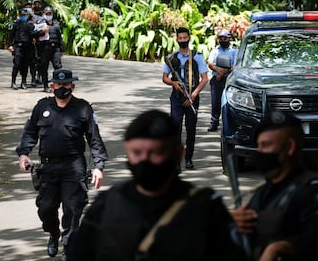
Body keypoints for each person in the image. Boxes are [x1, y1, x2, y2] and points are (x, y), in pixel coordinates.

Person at [66, 109, 246, 261]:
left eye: (156, 152)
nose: (145, 160)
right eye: (137, 152)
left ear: (178, 153)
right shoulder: (105, 206)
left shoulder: (206, 207)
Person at [16, 68, 108, 259]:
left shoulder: (83, 108)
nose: (62, 88)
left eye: (66, 84)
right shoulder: (42, 107)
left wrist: (98, 167)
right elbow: (30, 131)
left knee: (73, 208)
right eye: (58, 84)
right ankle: (53, 233)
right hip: (48, 167)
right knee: (46, 208)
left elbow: (94, 139)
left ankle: (69, 247)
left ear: (72, 86)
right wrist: (24, 153)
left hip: (73, 167)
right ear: (52, 86)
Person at [231, 111, 318, 261]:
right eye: (258, 146)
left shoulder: (312, 192)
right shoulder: (262, 193)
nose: (259, 153)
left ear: (290, 147)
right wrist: (233, 225)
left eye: (266, 145)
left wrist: (280, 248)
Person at [162, 27, 208, 169]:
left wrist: (193, 95)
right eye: (180, 38)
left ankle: (188, 159)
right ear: (177, 40)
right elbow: (164, 78)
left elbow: (204, 79)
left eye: (185, 38)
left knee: (191, 129)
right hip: (176, 98)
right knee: (175, 129)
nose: (182, 40)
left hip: (192, 97)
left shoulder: (197, 56)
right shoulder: (171, 57)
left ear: (189, 38)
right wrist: (173, 83)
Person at [207, 29, 238, 131]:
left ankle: (231, 125)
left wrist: (222, 72)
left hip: (230, 79)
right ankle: (214, 122)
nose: (222, 40)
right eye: (220, 38)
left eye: (224, 38)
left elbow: (235, 65)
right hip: (217, 80)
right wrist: (218, 71)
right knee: (215, 102)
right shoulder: (215, 51)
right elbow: (210, 63)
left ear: (229, 38)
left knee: (231, 102)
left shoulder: (234, 51)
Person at [34, 6, 64, 92]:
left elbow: (60, 38)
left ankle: (59, 85)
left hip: (55, 48)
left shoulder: (56, 24)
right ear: (44, 14)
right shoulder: (40, 24)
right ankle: (45, 86)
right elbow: (35, 35)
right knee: (44, 67)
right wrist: (42, 31)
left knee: (58, 67)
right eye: (47, 14)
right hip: (44, 48)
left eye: (50, 13)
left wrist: (62, 49)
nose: (48, 15)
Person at [8, 8, 36, 89]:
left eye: (25, 15)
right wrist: (10, 45)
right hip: (18, 46)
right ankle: (13, 82)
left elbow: (33, 34)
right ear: (19, 16)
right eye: (22, 15)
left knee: (25, 65)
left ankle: (24, 82)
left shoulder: (30, 24)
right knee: (17, 64)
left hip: (27, 47)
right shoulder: (16, 24)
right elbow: (11, 35)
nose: (24, 17)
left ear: (28, 15)